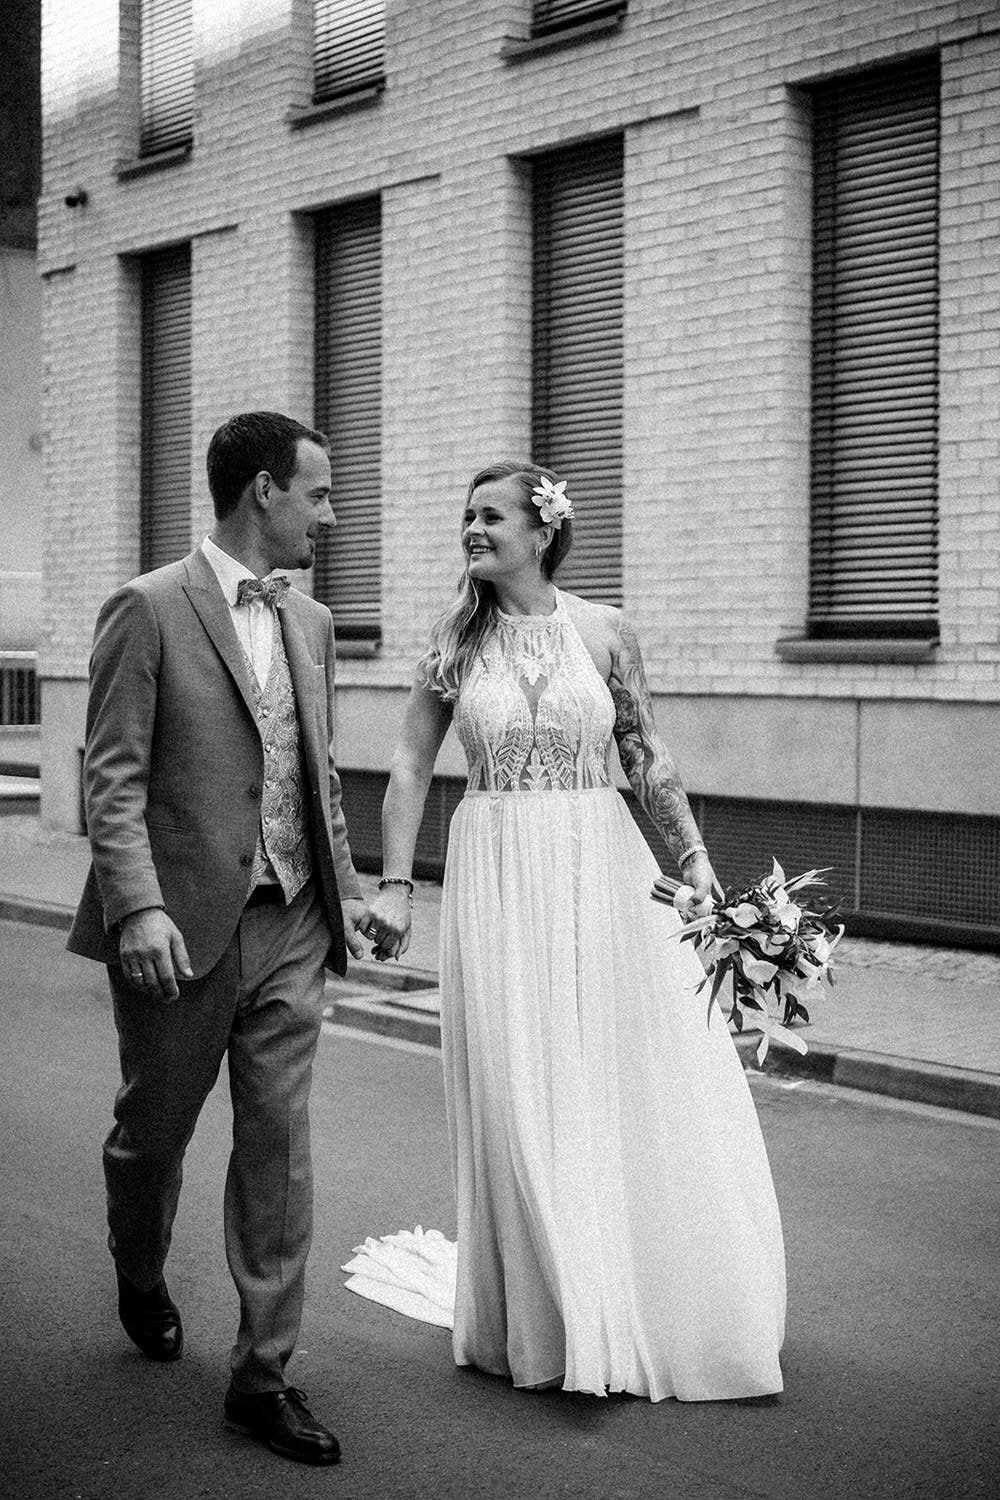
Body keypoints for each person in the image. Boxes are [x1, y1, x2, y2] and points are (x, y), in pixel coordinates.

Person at [361, 460, 786, 1402]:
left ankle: (615, 1288)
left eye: (491, 516)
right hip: (495, 869)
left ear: (542, 530)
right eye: (466, 517)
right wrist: (395, 886)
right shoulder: (453, 639)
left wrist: (695, 863)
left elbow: (644, 752)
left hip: (601, 864)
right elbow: (408, 764)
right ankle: (547, 1310)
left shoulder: (605, 632)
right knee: (515, 1080)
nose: (473, 530)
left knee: (606, 1070)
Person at [68, 411, 370, 1465]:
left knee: (278, 1147)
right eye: (318, 494)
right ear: (262, 491)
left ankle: (263, 1377)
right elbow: (111, 776)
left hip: (292, 920)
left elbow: (315, 777)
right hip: (181, 926)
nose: (330, 515)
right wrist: (138, 905)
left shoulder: (311, 621)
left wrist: (351, 892)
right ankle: (139, 1266)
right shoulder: (149, 607)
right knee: (152, 1136)